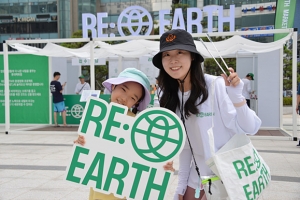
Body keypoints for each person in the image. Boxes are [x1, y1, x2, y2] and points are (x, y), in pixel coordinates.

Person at [152, 29, 261, 200]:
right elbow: (187, 146)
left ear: (192, 56)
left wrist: (237, 98)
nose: (173, 59)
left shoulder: (214, 85)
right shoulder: (168, 96)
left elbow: (251, 127)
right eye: (166, 54)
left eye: (180, 52)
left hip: (227, 178)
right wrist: (180, 188)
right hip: (196, 179)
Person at [74, 68, 175, 200]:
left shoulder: (138, 125)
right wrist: (81, 143)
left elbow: (148, 158)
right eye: (123, 89)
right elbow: (85, 153)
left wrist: (162, 167)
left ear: (136, 103)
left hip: (121, 193)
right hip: (98, 192)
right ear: (114, 86)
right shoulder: (97, 116)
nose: (124, 98)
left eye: (133, 97)